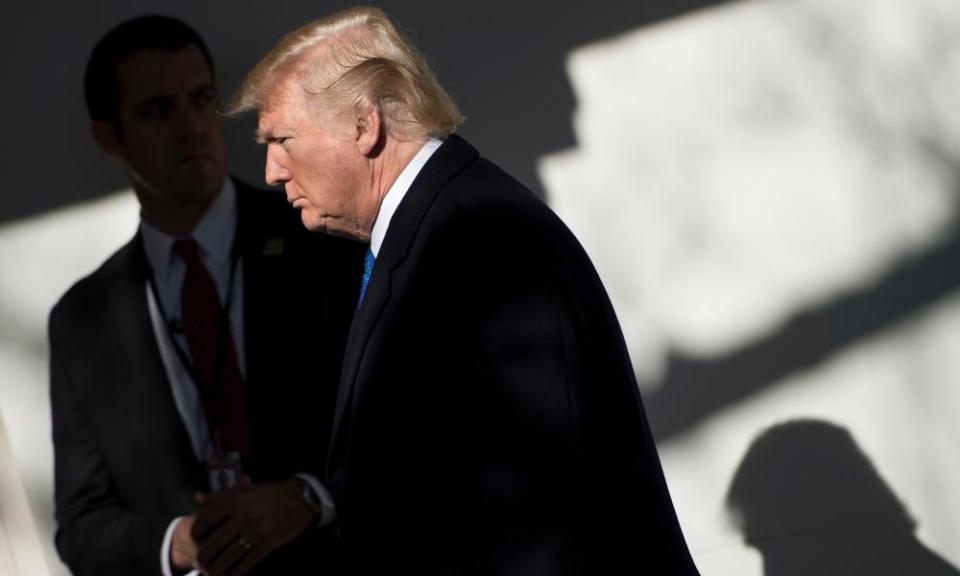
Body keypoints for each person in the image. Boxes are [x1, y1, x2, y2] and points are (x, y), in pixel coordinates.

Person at [228, 6, 700, 574]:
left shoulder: (481, 241)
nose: (272, 170)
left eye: (281, 138)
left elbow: (534, 506)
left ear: (363, 124)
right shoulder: (433, 231)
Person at [49, 15, 362, 576]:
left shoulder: (320, 236)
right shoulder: (81, 320)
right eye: (156, 110)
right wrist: (181, 541)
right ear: (108, 136)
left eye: (200, 100)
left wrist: (311, 496)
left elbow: (415, 418)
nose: (191, 127)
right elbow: (81, 525)